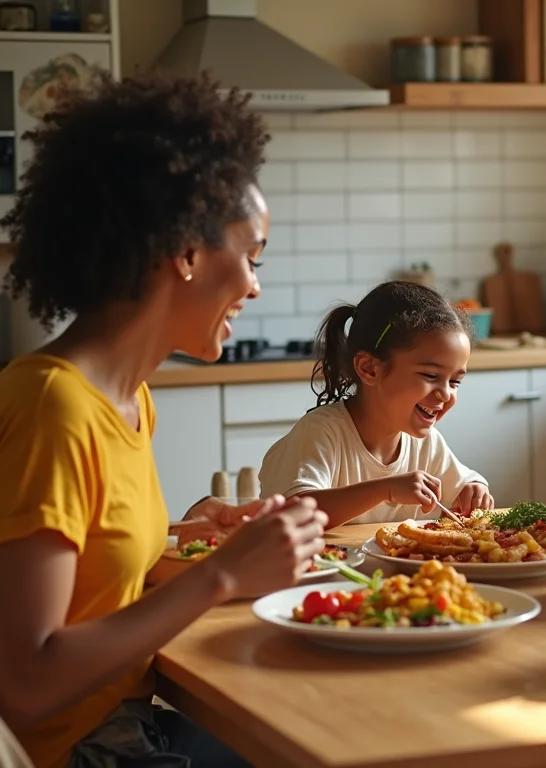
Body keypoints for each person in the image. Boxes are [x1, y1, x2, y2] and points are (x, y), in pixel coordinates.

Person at [0, 71, 329, 768]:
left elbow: (99, 582)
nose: (254, 285)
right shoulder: (52, 407)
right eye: (251, 255)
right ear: (184, 250)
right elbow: (26, 684)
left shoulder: (129, 398)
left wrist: (191, 539)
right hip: (78, 750)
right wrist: (222, 576)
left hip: (129, 722)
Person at [258, 280, 494, 527]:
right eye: (430, 376)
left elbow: (464, 482)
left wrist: (474, 488)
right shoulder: (320, 432)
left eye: (455, 382)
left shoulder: (427, 444)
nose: (446, 394)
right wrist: (386, 489)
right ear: (369, 369)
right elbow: (295, 512)